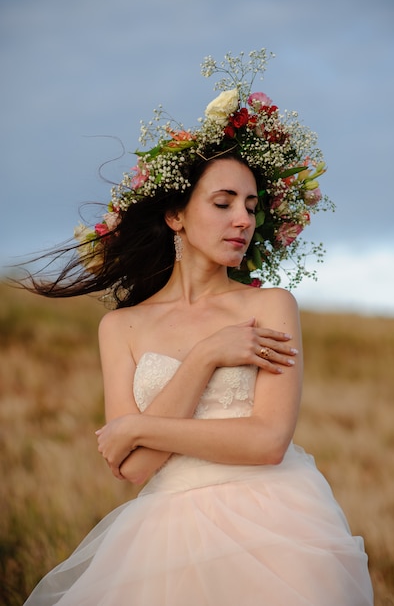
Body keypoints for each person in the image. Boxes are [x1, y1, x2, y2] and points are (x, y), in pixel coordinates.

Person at [22, 50, 373, 605]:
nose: (243, 220)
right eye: (224, 201)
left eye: (252, 206)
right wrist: (207, 355)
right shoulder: (121, 327)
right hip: (163, 540)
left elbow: (266, 442)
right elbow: (135, 468)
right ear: (175, 214)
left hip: (277, 527)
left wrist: (135, 427)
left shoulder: (272, 306)